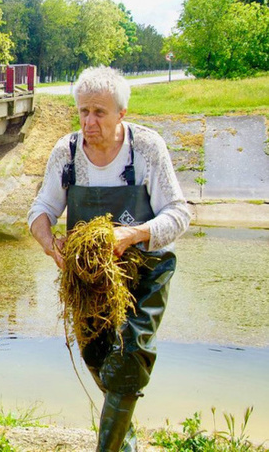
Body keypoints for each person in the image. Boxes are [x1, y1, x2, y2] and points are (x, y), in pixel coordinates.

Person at [27, 66, 191, 451]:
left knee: (129, 364)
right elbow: (41, 209)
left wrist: (132, 234)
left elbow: (179, 214)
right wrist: (51, 243)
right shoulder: (67, 153)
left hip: (146, 275)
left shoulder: (147, 149)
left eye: (99, 112)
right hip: (90, 282)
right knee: (100, 362)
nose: (89, 121)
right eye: (83, 111)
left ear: (122, 114)